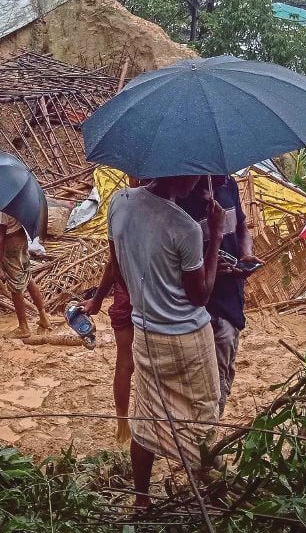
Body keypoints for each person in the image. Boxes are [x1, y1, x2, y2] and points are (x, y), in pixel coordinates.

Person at [107, 175, 224, 508]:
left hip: (145, 334)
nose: (199, 180)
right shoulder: (185, 227)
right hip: (188, 341)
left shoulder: (119, 203)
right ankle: (209, 497)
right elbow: (200, 295)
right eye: (194, 172)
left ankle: (141, 500)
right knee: (201, 419)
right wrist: (214, 235)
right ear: (179, 172)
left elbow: (119, 273)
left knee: (146, 419)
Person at [175, 175, 256, 417]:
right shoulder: (179, 200)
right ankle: (204, 439)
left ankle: (205, 433)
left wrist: (245, 253)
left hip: (231, 300)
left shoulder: (228, 185)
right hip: (200, 307)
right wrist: (209, 258)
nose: (225, 170)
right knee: (208, 383)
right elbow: (173, 259)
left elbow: (242, 227)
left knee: (224, 372)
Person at [84, 248, 136, 444]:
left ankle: (123, 423)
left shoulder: (119, 217)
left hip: (126, 294)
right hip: (154, 291)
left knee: (124, 363)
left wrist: (97, 301)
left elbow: (112, 264)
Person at [0, 212, 52, 338]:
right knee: (27, 277)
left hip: (9, 242)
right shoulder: (16, 203)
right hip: (19, 236)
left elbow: (2, 236)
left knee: (16, 285)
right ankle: (43, 317)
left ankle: (23, 327)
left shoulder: (5, 207)